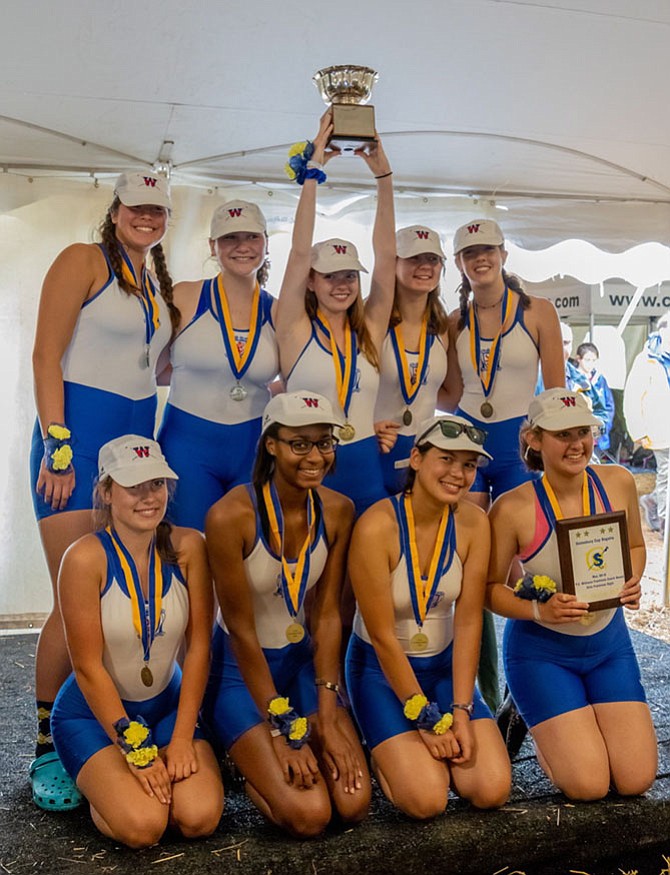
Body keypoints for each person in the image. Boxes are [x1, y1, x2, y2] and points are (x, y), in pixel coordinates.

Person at [29, 171, 177, 809]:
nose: (147, 217)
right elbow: (44, 355)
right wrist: (59, 446)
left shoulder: (155, 281)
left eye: (157, 210)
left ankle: (103, 724)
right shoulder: (83, 259)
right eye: (137, 207)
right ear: (116, 209)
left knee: (118, 596)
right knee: (74, 599)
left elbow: (155, 364)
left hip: (134, 452)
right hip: (80, 446)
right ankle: (45, 742)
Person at [203, 392, 371, 836]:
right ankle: (240, 756)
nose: (315, 456)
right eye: (300, 444)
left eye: (325, 443)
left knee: (353, 804)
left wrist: (330, 716)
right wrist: (281, 733)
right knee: (309, 816)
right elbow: (239, 630)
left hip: (300, 665)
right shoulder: (229, 517)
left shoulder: (338, 511)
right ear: (271, 445)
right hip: (241, 671)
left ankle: (291, 746)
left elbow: (329, 615)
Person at [50, 436, 223, 847]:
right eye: (133, 486)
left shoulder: (190, 546)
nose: (148, 498)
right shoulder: (83, 558)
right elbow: (88, 667)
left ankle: (127, 782)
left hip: (167, 705)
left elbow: (199, 648)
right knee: (144, 827)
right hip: (92, 714)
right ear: (107, 492)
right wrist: (137, 751)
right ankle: (103, 784)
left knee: (198, 819)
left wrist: (181, 738)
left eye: (157, 484)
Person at [487, 389, 657, 800]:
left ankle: (578, 727)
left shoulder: (617, 481)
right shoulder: (512, 508)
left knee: (636, 780)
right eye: (562, 434)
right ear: (534, 438)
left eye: (583, 431)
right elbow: (490, 591)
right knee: (589, 785)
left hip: (608, 646)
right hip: (541, 653)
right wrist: (538, 610)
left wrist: (631, 580)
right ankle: (537, 723)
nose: (576, 443)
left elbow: (635, 546)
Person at [345, 414, 511, 819]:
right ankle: (381, 748)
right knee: (426, 800)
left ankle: (422, 754)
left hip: (441, 669)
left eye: (469, 465)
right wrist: (422, 716)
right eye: (447, 459)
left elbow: (469, 620)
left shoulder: (474, 523)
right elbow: (383, 636)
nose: (458, 474)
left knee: (491, 789)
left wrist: (459, 709)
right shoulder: (376, 526)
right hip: (380, 672)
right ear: (416, 459)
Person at [444, 218, 564, 715]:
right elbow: (448, 395)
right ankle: (482, 693)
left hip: (520, 450)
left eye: (487, 249)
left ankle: (531, 681)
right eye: (469, 252)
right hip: (470, 447)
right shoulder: (455, 321)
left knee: (528, 571)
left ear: (503, 253)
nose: (480, 259)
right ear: (459, 262)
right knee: (471, 574)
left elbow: (557, 395)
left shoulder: (538, 311)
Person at [275, 111, 396, 517]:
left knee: (368, 573)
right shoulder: (294, 328)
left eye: (349, 276)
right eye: (330, 277)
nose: (342, 284)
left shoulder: (370, 331)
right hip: (309, 466)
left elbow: (387, 259)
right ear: (311, 281)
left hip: (364, 465)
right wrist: (312, 173)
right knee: (311, 576)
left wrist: (384, 178)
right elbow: (296, 252)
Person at [157, 200, 279, 530]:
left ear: (266, 241)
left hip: (252, 447)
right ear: (213, 246)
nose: (242, 247)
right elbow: (151, 370)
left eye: (251, 237)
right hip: (187, 446)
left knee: (247, 557)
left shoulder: (280, 312)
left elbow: (304, 373)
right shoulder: (184, 297)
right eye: (229, 238)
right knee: (188, 548)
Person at [374, 226, 450, 495]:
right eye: (414, 258)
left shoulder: (442, 328)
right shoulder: (370, 320)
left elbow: (451, 396)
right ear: (393, 262)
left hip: (423, 455)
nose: (424, 267)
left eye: (432, 259)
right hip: (374, 451)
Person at [623, 312, 670, 534]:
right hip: (660, 429)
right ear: (663, 330)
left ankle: (652, 501)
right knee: (666, 475)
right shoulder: (647, 359)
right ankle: (664, 524)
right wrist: (638, 430)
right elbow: (632, 397)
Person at [575, 341, 615, 455]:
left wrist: (604, 425)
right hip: (577, 431)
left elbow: (609, 405)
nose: (590, 364)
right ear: (578, 359)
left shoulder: (600, 380)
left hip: (597, 431)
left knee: (594, 463)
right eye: (587, 360)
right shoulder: (572, 379)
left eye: (594, 361)